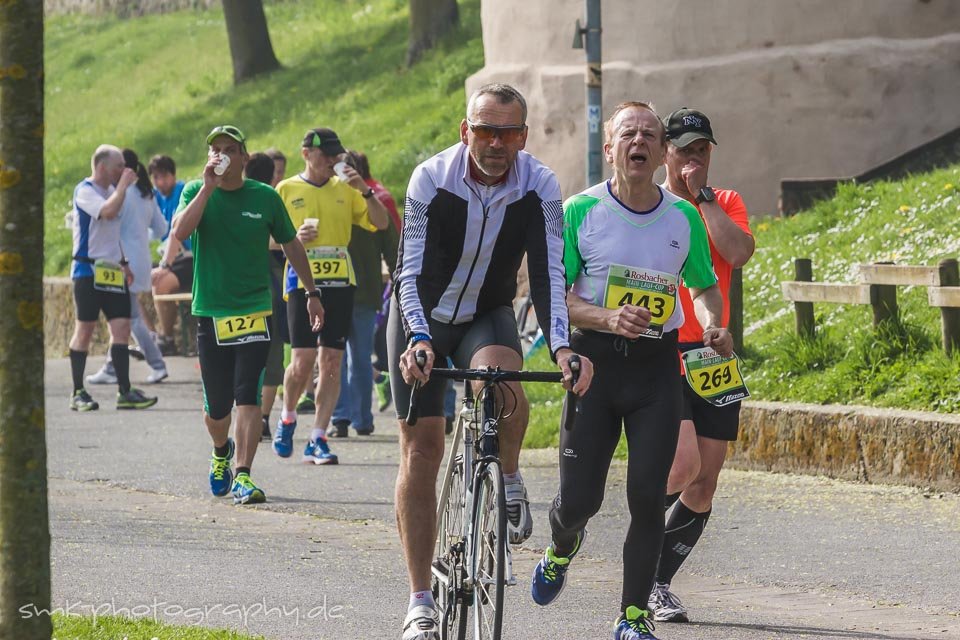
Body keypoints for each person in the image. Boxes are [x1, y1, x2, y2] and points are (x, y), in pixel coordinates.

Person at [391, 83, 593, 640]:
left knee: (503, 386)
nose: (496, 142)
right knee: (422, 449)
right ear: (466, 131)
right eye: (485, 130)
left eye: (507, 132)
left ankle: (506, 477)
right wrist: (419, 337)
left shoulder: (539, 184)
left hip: (485, 312)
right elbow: (407, 271)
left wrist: (561, 346)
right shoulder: (431, 179)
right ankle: (420, 602)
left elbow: (552, 274)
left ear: (523, 137)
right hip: (423, 314)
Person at [529, 102, 732, 640]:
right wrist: (607, 317)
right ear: (611, 147)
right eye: (629, 134)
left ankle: (633, 616)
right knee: (579, 501)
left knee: (646, 494)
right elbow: (553, 298)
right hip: (593, 364)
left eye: (649, 134)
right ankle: (560, 547)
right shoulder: (580, 211)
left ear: (659, 149)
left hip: (655, 369)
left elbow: (703, 285)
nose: (638, 142)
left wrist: (713, 323)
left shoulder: (682, 216)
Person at [171, 125, 323, 505]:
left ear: (243, 156)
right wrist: (207, 187)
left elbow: (291, 245)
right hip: (211, 312)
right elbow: (179, 233)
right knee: (217, 408)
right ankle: (221, 449)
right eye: (214, 150)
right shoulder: (195, 191)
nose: (219, 155)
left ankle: (243, 474)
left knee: (248, 397)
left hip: (256, 309)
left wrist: (312, 292)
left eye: (227, 149)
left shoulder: (265, 197)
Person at [648, 108, 755, 623]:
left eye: (703, 149)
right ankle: (637, 539)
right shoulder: (651, 204)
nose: (693, 158)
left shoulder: (726, 201)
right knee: (681, 464)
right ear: (666, 150)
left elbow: (738, 252)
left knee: (705, 481)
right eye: (684, 148)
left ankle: (655, 580)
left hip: (713, 354)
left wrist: (704, 198)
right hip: (664, 350)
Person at [273, 128, 390, 464]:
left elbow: (380, 224)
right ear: (306, 153)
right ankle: (287, 416)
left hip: (340, 282)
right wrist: (292, 238)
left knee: (332, 362)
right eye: (326, 156)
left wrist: (364, 191)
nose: (332, 161)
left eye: (336, 156)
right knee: (302, 362)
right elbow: (265, 240)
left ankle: (317, 437)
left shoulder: (347, 189)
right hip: (300, 284)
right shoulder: (286, 189)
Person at [68, 144, 158, 412]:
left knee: (121, 328)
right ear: (103, 166)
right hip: (88, 271)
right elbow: (106, 212)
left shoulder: (111, 192)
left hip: (112, 271)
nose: (124, 170)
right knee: (84, 330)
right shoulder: (85, 191)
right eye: (119, 165)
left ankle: (125, 390)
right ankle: (78, 391)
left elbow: (113, 232)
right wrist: (123, 187)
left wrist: (124, 263)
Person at [329, 150, 400, 437]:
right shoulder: (327, 199)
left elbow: (390, 243)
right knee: (335, 357)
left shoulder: (374, 202)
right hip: (332, 289)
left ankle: (357, 418)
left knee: (356, 357)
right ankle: (342, 417)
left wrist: (398, 276)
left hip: (363, 291)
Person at [86, 149, 169, 385]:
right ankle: (117, 366)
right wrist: (140, 235)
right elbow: (161, 230)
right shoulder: (147, 193)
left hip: (122, 263)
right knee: (126, 316)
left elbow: (107, 221)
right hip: (141, 259)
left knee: (127, 318)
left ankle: (151, 364)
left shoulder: (118, 194)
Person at [243, 152, 286, 443]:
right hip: (268, 289)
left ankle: (253, 416)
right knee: (270, 355)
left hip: (236, 293)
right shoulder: (271, 199)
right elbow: (286, 239)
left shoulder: (230, 199)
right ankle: (263, 418)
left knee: (247, 356)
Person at [147, 155, 190, 356]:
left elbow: (178, 233)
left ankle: (167, 339)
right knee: (127, 281)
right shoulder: (154, 197)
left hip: (189, 256)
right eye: (155, 177)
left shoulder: (184, 192)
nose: (160, 182)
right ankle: (150, 336)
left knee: (160, 283)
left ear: (173, 175)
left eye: (164, 176)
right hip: (169, 256)